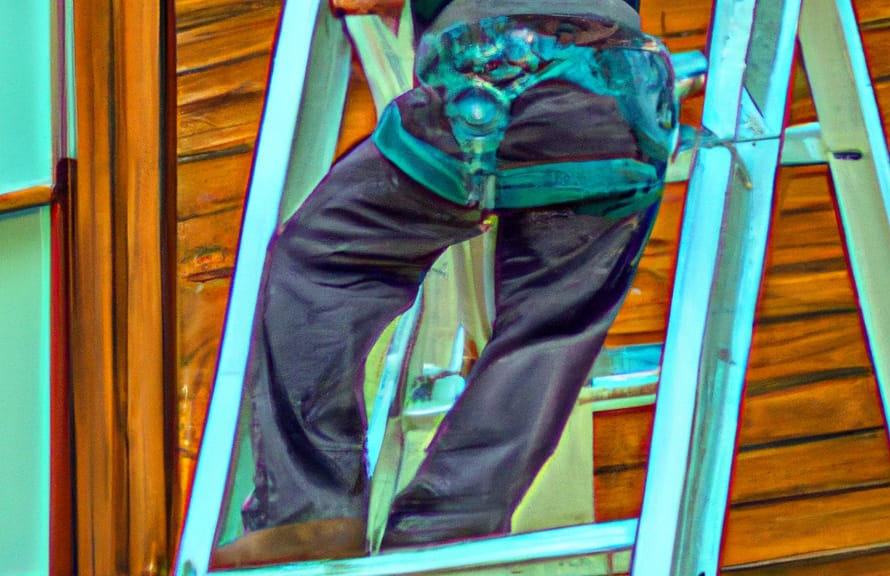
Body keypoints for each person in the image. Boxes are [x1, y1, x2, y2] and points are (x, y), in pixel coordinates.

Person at [212, 0, 678, 566]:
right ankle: (447, 530)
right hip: (625, 97)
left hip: (495, 73)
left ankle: (305, 515)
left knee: (325, 263)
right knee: (552, 324)